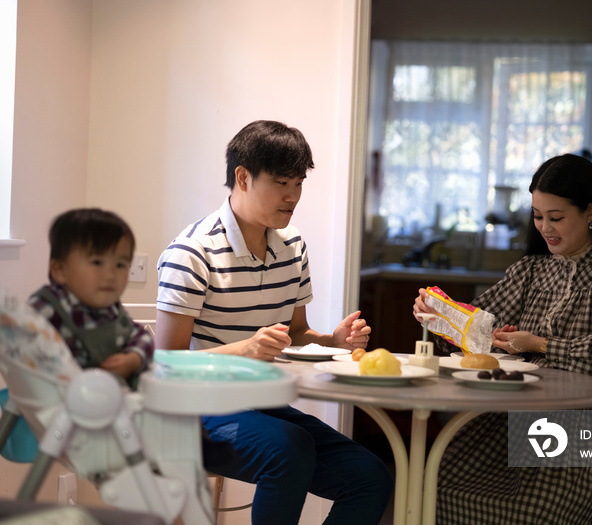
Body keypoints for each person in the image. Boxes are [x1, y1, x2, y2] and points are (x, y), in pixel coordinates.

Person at [155, 120, 393, 525]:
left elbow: (297, 333)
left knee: (370, 476)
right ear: (242, 178)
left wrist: (333, 340)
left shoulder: (292, 245)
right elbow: (166, 364)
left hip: (260, 407)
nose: (293, 196)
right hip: (192, 410)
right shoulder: (193, 253)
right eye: (282, 182)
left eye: (299, 183)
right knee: (289, 447)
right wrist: (244, 351)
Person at [413, 153, 592, 524]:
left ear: (591, 212)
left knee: (531, 512)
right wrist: (441, 315)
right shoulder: (531, 270)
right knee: (435, 484)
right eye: (538, 216)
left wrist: (540, 345)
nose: (545, 227)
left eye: (557, 217)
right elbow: (476, 328)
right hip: (516, 425)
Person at [28, 208, 154, 388]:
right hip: (67, 405)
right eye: (97, 262)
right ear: (60, 270)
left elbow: (143, 337)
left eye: (120, 264)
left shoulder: (111, 310)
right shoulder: (45, 308)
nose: (111, 274)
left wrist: (132, 359)